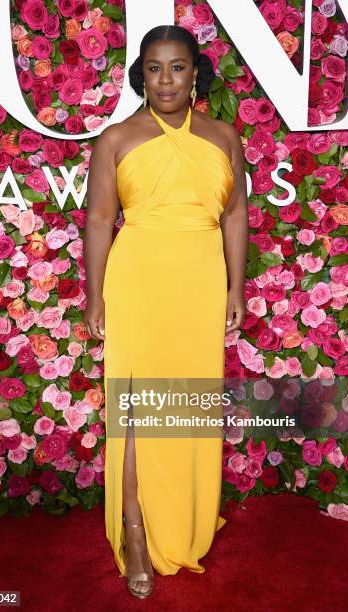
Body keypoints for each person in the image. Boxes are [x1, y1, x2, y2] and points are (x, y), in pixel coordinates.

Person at [83, 25, 248, 600]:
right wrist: (94, 295)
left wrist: (235, 287)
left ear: (196, 72)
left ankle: (179, 522)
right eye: (153, 68)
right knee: (138, 413)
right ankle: (134, 532)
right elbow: (101, 220)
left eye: (177, 67)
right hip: (140, 282)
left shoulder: (225, 136)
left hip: (200, 283)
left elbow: (234, 216)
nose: (166, 79)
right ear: (140, 76)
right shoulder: (117, 138)